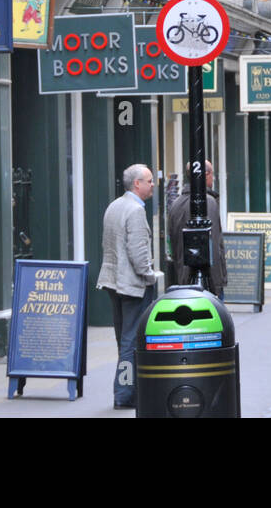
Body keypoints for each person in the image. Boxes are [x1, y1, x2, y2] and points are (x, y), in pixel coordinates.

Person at [96, 163, 157, 408]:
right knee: (132, 340)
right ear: (137, 184)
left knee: (123, 338)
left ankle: (126, 391)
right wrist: (150, 276)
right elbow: (138, 252)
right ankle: (125, 394)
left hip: (113, 282)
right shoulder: (135, 211)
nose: (153, 184)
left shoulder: (114, 206)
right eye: (149, 180)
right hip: (132, 284)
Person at [166, 160, 227, 298]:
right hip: (207, 282)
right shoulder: (208, 202)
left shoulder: (175, 204)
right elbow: (214, 247)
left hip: (183, 278)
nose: (213, 178)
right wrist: (217, 284)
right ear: (205, 175)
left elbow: (174, 246)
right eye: (212, 174)